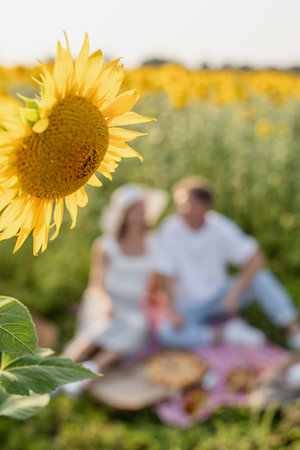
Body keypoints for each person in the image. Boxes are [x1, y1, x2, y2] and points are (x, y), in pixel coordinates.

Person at [152, 176, 300, 349]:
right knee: (167, 333)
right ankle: (226, 334)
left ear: (203, 206)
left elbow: (256, 258)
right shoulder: (170, 229)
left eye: (184, 203)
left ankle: (294, 333)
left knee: (261, 277)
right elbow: (166, 275)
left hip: (220, 297)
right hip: (188, 304)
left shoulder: (220, 227)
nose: (178, 209)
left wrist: (234, 294)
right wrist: (172, 312)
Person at [63, 183, 168, 391]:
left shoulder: (153, 242)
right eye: (135, 210)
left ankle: (89, 371)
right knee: (102, 325)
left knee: (136, 325)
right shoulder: (106, 244)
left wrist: (160, 301)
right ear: (124, 215)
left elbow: (154, 282)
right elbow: (97, 283)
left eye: (143, 209)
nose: (140, 214)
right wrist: (107, 303)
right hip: (108, 296)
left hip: (135, 303)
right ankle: (59, 369)